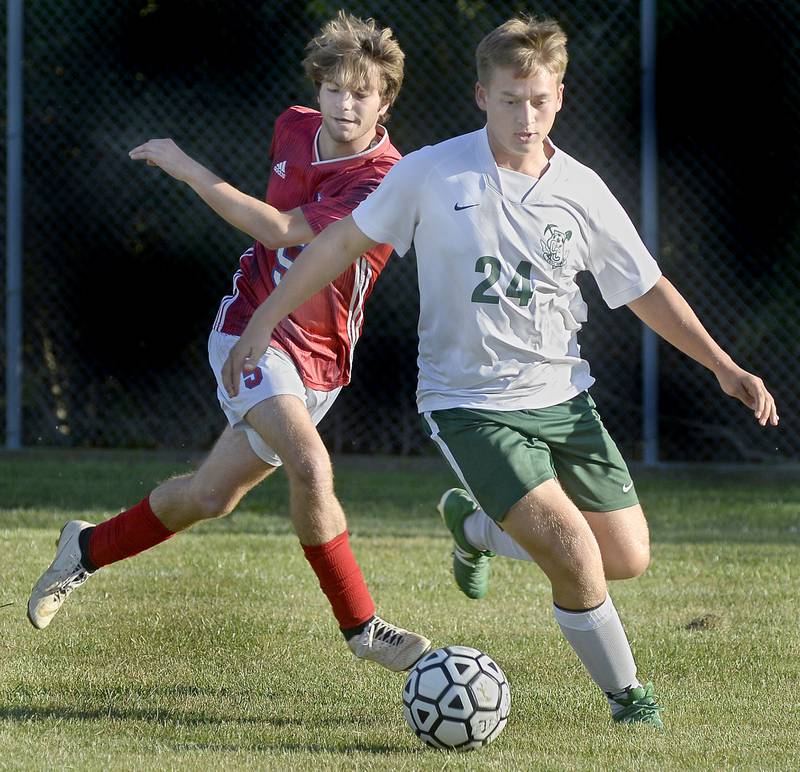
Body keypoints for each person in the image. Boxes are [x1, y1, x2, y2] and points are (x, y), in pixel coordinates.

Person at [218, 15, 779, 727]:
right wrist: (264, 320)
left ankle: (474, 529)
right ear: (482, 96)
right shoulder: (432, 171)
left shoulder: (581, 189)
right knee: (573, 549)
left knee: (627, 557)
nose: (526, 115)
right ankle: (629, 701)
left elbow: (645, 288)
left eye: (539, 100)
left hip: (565, 400)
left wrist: (725, 367)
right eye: (511, 100)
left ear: (560, 98)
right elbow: (337, 246)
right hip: (468, 404)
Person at [27, 11, 431, 673]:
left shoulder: (382, 177)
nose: (346, 102)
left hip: (320, 365)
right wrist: (262, 325)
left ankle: (86, 548)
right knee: (311, 466)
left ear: (386, 101)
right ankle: (361, 627)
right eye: (335, 87)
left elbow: (277, 229)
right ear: (319, 88)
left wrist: (183, 164)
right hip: (251, 331)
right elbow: (270, 242)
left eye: (363, 91)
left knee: (211, 497)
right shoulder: (294, 125)